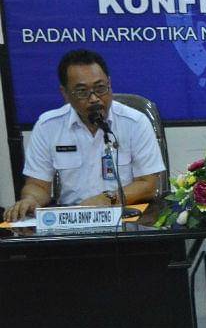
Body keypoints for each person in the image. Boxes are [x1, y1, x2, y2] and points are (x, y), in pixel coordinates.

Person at [4, 49, 165, 222]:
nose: (94, 98)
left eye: (100, 88)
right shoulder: (48, 126)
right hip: (72, 220)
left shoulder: (135, 122)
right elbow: (38, 185)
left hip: (127, 217)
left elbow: (149, 185)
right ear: (65, 94)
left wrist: (108, 199)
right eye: (82, 91)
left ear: (110, 84)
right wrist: (30, 199)